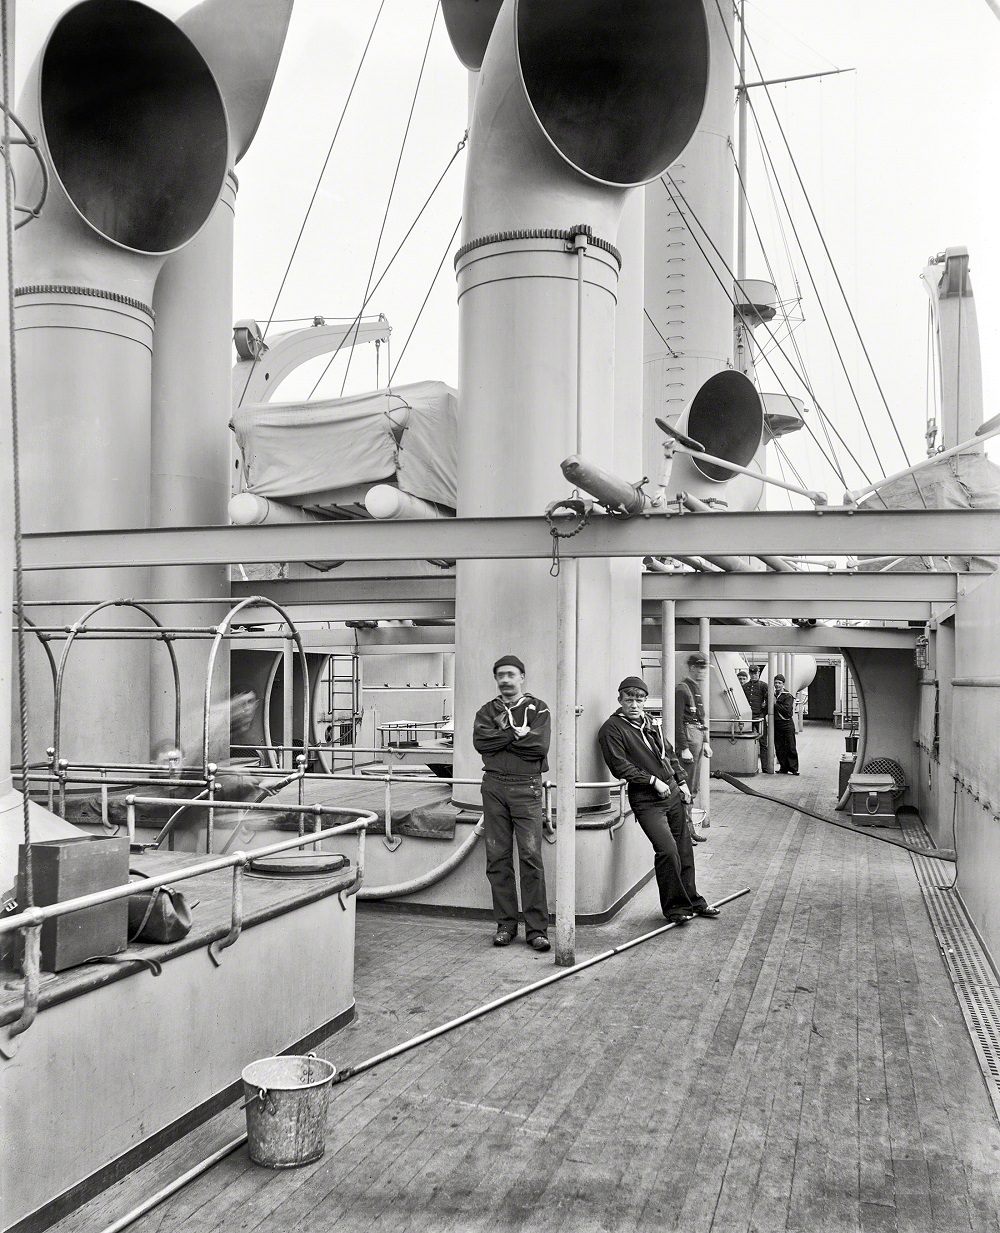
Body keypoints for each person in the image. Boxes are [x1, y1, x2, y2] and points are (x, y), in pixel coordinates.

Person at [598, 676, 718, 926]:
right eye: (629, 699)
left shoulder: (650, 722)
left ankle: (694, 900)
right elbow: (620, 766)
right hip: (647, 799)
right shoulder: (612, 729)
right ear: (620, 700)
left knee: (684, 849)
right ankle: (675, 908)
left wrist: (682, 782)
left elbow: (669, 753)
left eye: (639, 699)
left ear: (644, 701)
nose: (634, 704)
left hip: (672, 792)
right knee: (667, 850)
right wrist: (652, 781)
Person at [473, 654, 552, 951]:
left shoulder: (539, 709)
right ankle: (506, 925)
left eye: (511, 674)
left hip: (526, 788)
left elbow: (539, 746)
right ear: (496, 679)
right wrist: (514, 735)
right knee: (497, 858)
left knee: (531, 857)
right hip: (493, 787)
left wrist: (502, 738)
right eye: (500, 675)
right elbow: (481, 744)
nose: (505, 679)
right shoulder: (486, 710)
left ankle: (536, 930)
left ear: (522, 677)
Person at [674, 652, 712, 841]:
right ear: (692, 668)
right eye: (701, 668)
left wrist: (705, 741)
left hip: (696, 737)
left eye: (705, 668)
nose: (703, 672)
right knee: (686, 786)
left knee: (694, 785)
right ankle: (684, 832)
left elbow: (701, 718)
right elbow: (678, 721)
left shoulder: (695, 688)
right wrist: (683, 748)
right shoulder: (682, 689)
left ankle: (688, 829)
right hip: (689, 739)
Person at [743, 664, 770, 772]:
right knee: (746, 741)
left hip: (759, 717)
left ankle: (765, 767)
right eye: (752, 673)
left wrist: (763, 713)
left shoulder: (763, 686)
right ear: (749, 673)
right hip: (748, 718)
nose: (754, 675)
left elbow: (768, 702)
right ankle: (748, 766)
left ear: (758, 673)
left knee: (763, 742)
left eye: (756, 673)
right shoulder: (745, 687)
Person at [772, 673, 800, 775]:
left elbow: (787, 711)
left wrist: (775, 704)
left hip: (787, 724)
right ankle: (783, 768)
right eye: (775, 683)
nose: (777, 685)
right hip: (777, 724)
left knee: (791, 746)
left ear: (783, 684)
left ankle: (794, 768)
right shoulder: (772, 695)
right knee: (779, 747)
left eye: (779, 683)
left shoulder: (788, 696)